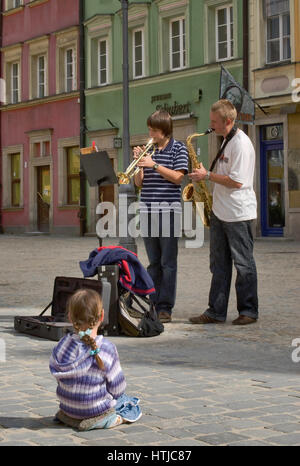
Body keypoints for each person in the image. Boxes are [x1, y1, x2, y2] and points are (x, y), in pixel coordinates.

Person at [188, 99, 258, 325]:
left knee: (244, 264)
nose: (211, 126)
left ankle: (248, 311)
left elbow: (237, 182)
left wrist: (206, 176)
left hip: (238, 214)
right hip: (220, 212)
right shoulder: (226, 141)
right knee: (218, 264)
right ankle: (215, 311)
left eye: (214, 122)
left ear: (228, 121)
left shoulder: (241, 144)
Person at [49, 288, 141, 430]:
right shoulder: (106, 348)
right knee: (127, 402)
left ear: (70, 317)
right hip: (94, 410)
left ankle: (69, 417)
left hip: (68, 407)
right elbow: (117, 389)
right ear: (102, 315)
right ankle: (106, 420)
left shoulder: (62, 344)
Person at [134, 110, 189, 323]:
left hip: (168, 211)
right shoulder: (150, 151)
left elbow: (178, 178)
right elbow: (139, 184)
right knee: (153, 262)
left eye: (154, 130)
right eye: (149, 129)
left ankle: (166, 307)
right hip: (147, 210)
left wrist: (154, 165)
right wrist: (140, 165)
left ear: (164, 131)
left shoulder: (178, 148)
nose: (150, 134)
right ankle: (153, 304)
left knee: (168, 262)